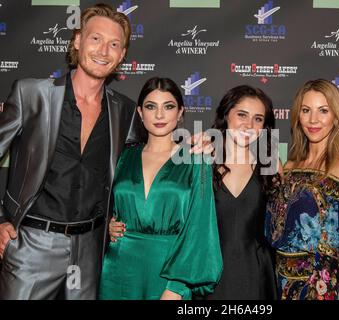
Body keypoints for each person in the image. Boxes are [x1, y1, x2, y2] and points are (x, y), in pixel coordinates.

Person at [0, 4, 143, 299]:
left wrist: (192, 150)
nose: (104, 51)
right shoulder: (31, 94)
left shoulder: (125, 111)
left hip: (90, 250)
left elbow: (149, 158)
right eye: (95, 39)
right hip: (31, 245)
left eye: (114, 44)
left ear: (122, 55)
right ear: (77, 41)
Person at [99, 77, 222, 300]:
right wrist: (106, 225)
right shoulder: (123, 157)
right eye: (150, 106)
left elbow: (201, 228)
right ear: (139, 112)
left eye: (168, 106)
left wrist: (177, 286)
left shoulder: (196, 160)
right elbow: (97, 201)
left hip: (169, 272)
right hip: (119, 270)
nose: (159, 115)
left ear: (180, 112)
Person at [266, 79, 339, 300]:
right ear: (297, 116)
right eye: (306, 110)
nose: (313, 120)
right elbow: (274, 230)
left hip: (317, 289)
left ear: (336, 116)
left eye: (323, 111)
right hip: (279, 281)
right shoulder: (290, 166)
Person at [204, 85, 277, 300]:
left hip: (256, 274)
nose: (249, 125)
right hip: (209, 273)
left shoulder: (271, 166)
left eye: (258, 119)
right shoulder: (202, 160)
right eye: (242, 115)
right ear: (226, 115)